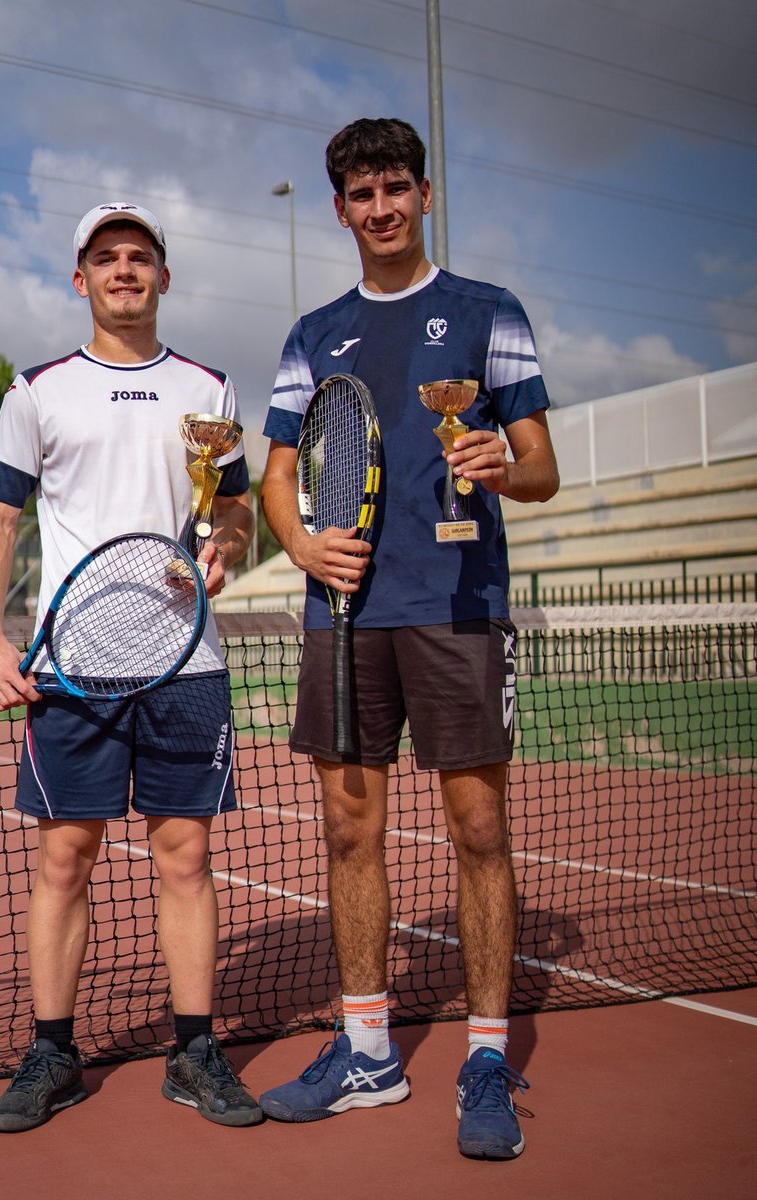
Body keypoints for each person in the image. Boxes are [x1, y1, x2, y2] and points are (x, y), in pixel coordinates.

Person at [258, 118, 559, 1159]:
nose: (379, 207)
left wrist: (497, 461)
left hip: (459, 608)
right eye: (361, 193)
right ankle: (368, 1050)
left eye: (395, 187)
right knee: (350, 833)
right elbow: (277, 471)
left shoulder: (488, 313)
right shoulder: (313, 333)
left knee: (479, 830)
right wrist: (300, 544)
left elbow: (542, 466)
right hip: (343, 616)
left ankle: (484, 1057)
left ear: (424, 195)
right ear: (339, 209)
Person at [0, 201, 261, 1132]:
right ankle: (51, 1052)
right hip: (75, 668)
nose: (125, 269)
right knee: (65, 857)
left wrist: (223, 547)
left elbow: (238, 517)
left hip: (186, 664)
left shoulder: (210, 389)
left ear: (163, 277)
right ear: (81, 279)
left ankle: (194, 1052)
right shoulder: (39, 390)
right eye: (107, 257)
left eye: (140, 256)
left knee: (187, 855)